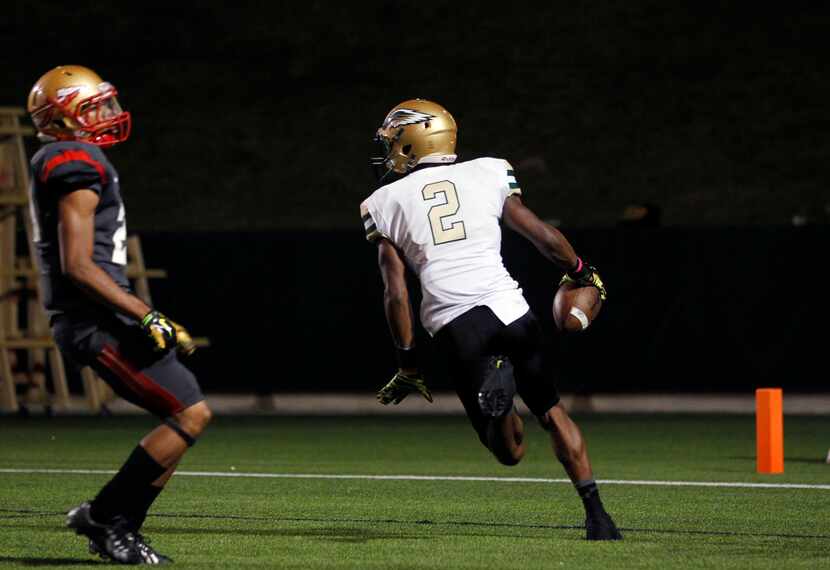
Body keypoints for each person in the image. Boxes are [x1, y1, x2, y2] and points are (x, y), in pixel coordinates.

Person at [361, 99, 621, 540]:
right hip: (512, 310)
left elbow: (396, 292)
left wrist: (407, 364)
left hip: (458, 324)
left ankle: (499, 405)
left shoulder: (382, 201)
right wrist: (582, 272)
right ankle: (598, 516)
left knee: (510, 451)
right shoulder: (489, 170)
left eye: (394, 141)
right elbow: (539, 233)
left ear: (413, 141)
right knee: (553, 412)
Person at [27, 65, 212, 564]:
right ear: (62, 116)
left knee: (188, 411)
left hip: (100, 313)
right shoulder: (73, 159)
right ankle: (108, 518)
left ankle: (115, 524)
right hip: (92, 318)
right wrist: (145, 313)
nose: (108, 114)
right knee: (188, 412)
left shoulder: (78, 157)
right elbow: (79, 265)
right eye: (94, 107)